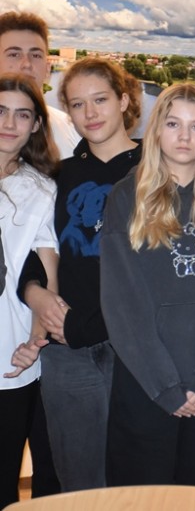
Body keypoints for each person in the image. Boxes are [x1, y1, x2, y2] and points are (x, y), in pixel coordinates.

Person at [100, 83, 195, 508]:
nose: (184, 136)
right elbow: (123, 303)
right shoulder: (125, 197)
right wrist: (164, 386)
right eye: (173, 124)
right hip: (145, 384)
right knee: (142, 501)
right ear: (156, 131)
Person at [16, 58, 141, 492]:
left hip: (137, 349)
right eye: (77, 104)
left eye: (100, 100)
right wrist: (34, 291)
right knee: (79, 483)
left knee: (137, 483)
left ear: (123, 100)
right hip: (68, 351)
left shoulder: (157, 170)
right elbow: (33, 252)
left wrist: (86, 327)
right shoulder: (58, 176)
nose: (90, 113)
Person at [0, 75, 59, 507]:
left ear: (36, 124)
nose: (9, 123)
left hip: (11, 359)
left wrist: (36, 340)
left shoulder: (42, 190)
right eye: (0, 111)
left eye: (22, 115)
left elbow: (48, 272)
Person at [0, 11, 81, 159]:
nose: (26, 64)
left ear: (47, 69)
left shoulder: (73, 130)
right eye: (14, 54)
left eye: (36, 55)